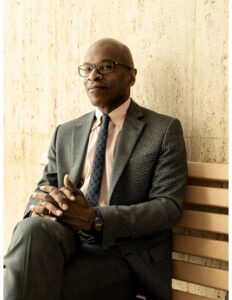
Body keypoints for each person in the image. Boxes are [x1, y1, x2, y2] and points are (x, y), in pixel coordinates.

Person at [4, 38, 187, 300]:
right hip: (66, 237)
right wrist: (43, 205)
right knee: (30, 229)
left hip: (121, 251)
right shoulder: (66, 132)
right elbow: (44, 187)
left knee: (36, 281)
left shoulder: (162, 130)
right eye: (87, 68)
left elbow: (168, 207)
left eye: (106, 66)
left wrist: (96, 219)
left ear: (131, 76)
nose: (94, 75)